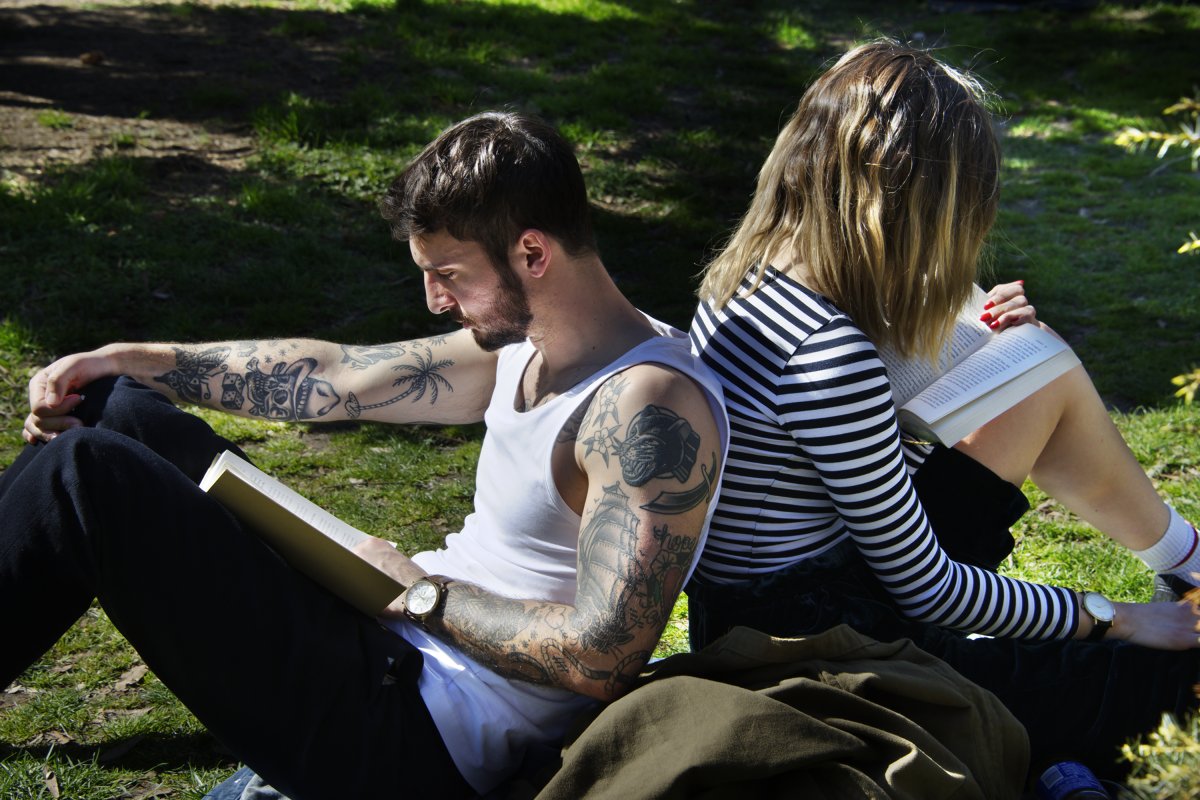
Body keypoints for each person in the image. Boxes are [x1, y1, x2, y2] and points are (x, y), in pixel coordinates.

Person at [2, 111, 728, 799]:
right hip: (384, 640)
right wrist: (126, 358)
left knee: (86, 475)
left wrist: (420, 594)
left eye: (447, 273)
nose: (434, 300)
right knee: (114, 408)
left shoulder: (647, 405)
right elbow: (339, 378)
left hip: (411, 735)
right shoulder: (523, 342)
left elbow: (605, 658)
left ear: (532, 252)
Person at [686, 39, 1200, 780]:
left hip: (770, 616)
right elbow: (926, 588)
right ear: (915, 206)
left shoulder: (746, 282)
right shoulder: (828, 359)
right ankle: (1173, 582)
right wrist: (1116, 618)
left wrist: (970, 328)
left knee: (1032, 360)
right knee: (1165, 684)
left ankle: (1183, 561)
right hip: (842, 659)